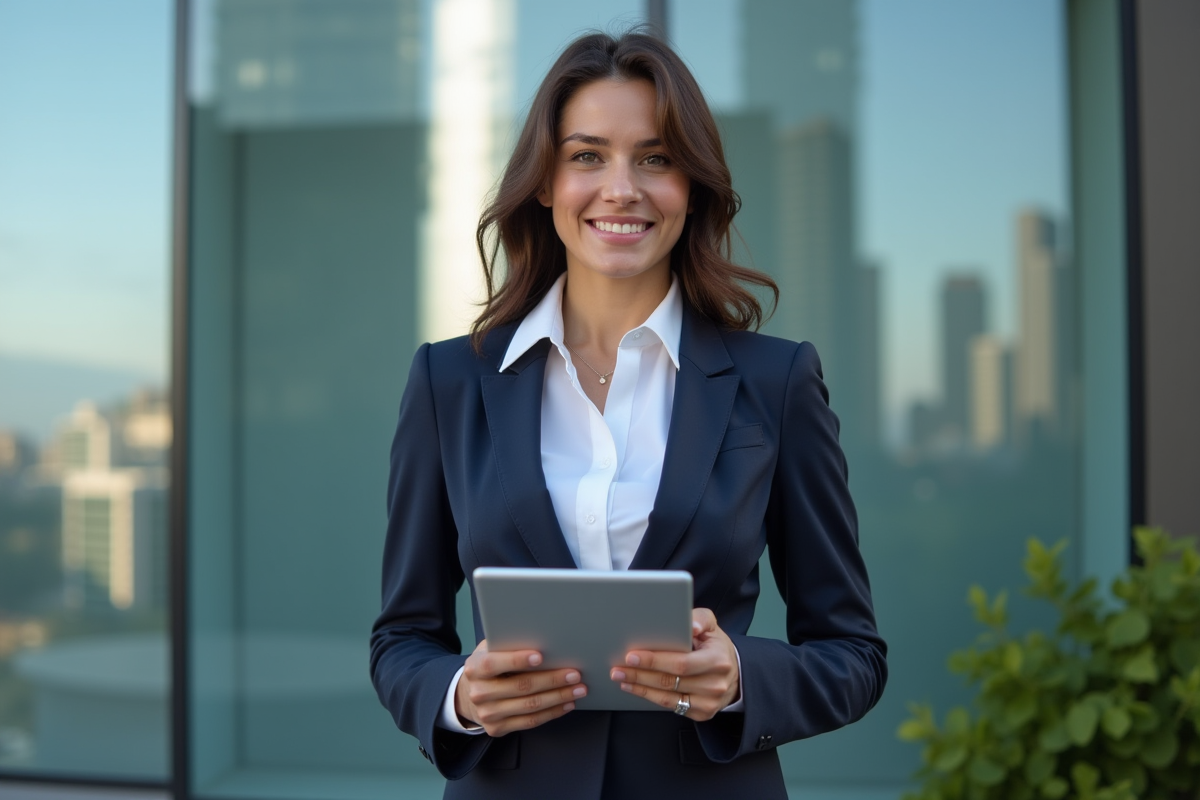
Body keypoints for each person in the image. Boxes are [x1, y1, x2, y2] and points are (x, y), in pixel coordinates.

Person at [369, 30, 886, 800]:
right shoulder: (450, 381)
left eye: (656, 158)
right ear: (545, 183)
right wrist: (459, 698)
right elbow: (402, 638)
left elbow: (853, 654)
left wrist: (742, 679)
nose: (621, 189)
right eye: (587, 156)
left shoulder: (775, 382)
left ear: (692, 187)